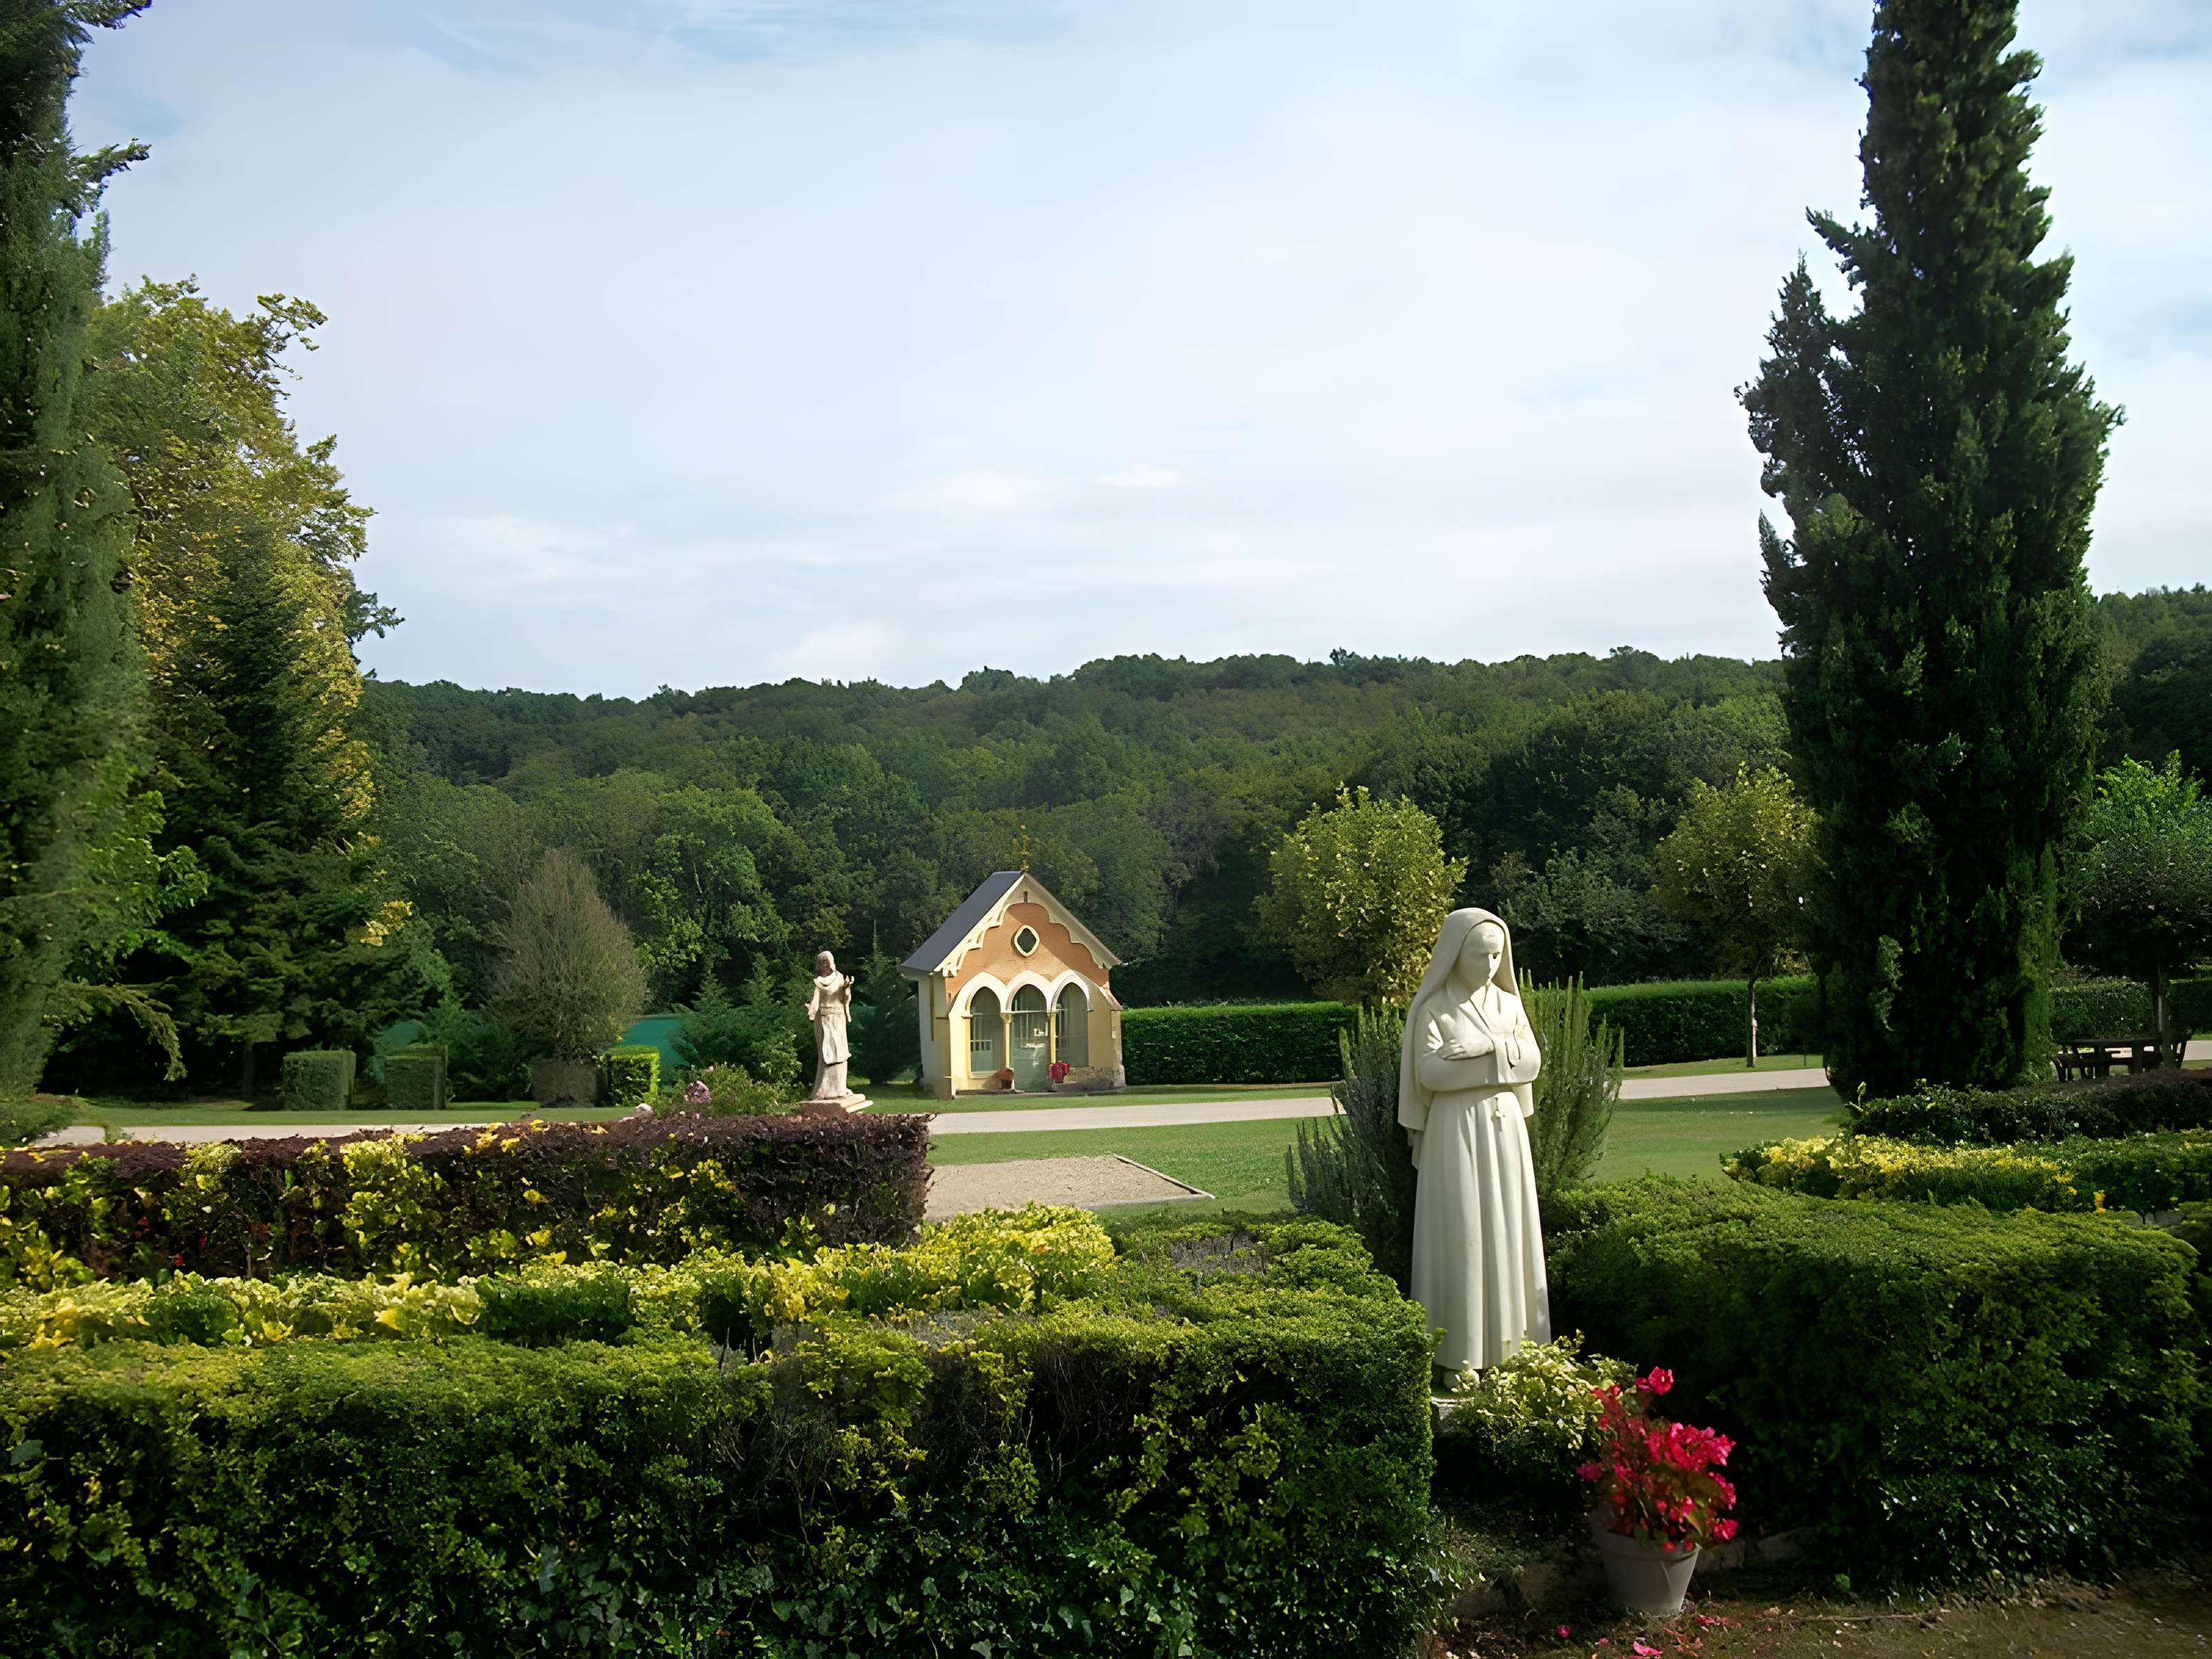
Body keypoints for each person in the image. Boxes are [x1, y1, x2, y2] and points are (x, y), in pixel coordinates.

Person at [1398, 908, 1551, 1380]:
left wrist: (1484, 1050)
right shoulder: (1435, 1009)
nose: (1488, 965)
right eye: (1478, 955)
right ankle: (1458, 1355)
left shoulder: (1508, 1005)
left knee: (1508, 1228)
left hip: (1506, 1136)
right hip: (1456, 1134)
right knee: (1461, 1232)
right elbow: (1433, 1073)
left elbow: (1533, 1064)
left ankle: (1515, 1348)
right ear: (1454, 953)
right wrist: (1503, 1058)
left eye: (1495, 955)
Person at [804, 950, 859, 1105]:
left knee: (841, 1054)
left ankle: (840, 1088)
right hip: (825, 1021)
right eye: (822, 962)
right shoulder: (818, 983)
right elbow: (815, 1002)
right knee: (827, 1055)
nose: (823, 965)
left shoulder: (839, 978)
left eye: (826, 962)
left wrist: (846, 989)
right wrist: (811, 1010)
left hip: (838, 1020)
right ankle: (825, 1090)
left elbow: (845, 998)